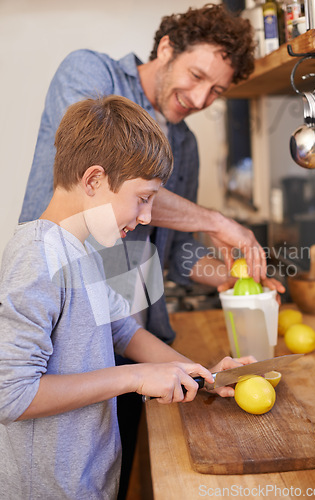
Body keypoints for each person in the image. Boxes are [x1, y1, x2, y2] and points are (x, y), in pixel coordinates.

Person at [0, 95, 255, 500]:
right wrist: (133, 377)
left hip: (89, 482)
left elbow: (122, 331)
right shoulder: (36, 254)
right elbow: (12, 395)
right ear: (94, 180)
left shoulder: (84, 250)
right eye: (143, 198)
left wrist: (201, 375)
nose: (148, 216)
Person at [19, 3, 284, 346]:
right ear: (166, 49)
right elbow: (109, 182)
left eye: (217, 91)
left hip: (131, 334)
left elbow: (177, 249)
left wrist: (232, 278)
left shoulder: (185, 144)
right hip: (63, 323)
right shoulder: (91, 73)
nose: (201, 98)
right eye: (197, 76)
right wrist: (217, 222)